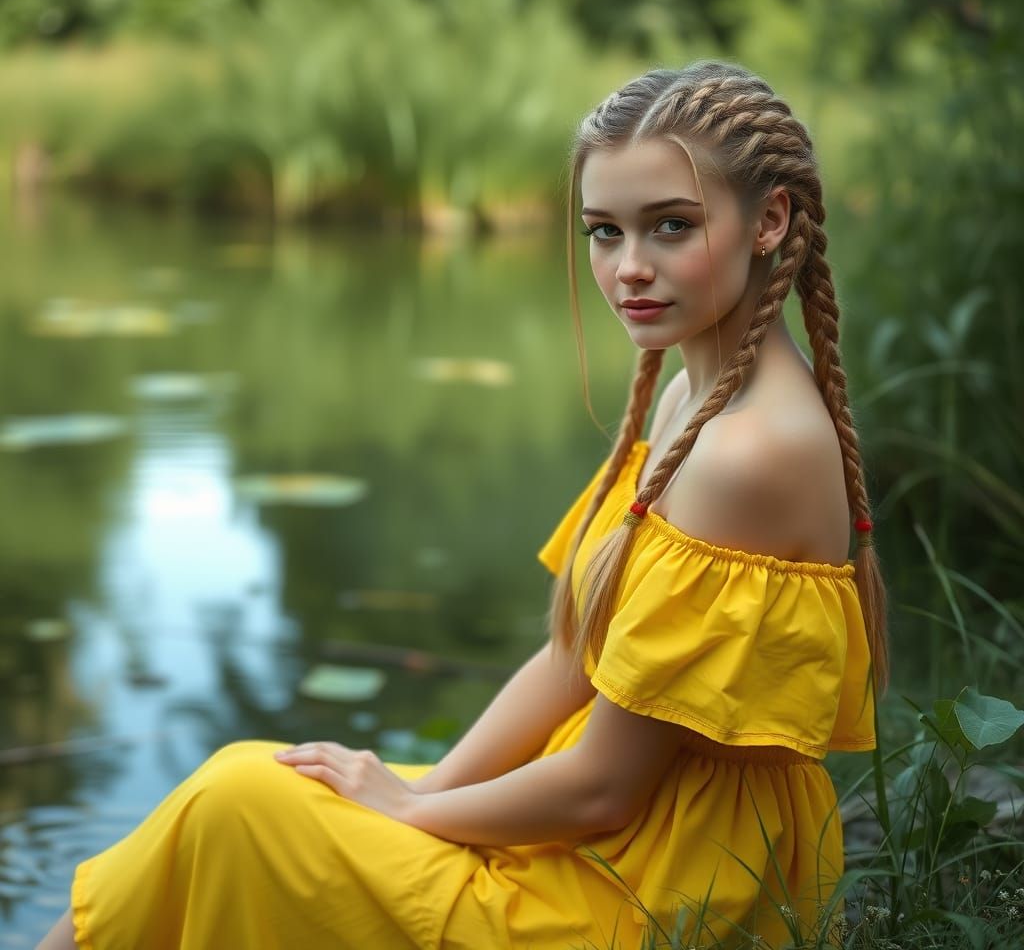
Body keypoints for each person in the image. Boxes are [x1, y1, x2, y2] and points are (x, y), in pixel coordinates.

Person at [38, 59, 885, 950]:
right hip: (622, 824)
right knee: (254, 784)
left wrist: (408, 811)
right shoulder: (694, 397)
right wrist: (428, 788)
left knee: (238, 804)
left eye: (672, 226)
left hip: (663, 882)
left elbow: (605, 788)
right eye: (604, 231)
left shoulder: (749, 453)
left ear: (771, 220)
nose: (630, 268)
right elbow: (573, 658)